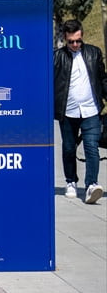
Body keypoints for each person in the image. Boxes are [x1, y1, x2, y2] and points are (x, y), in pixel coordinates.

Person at [53, 19, 104, 204]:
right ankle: (71, 181)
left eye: (78, 41)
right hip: (68, 112)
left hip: (91, 110)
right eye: (71, 42)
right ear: (65, 40)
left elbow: (102, 79)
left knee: (92, 147)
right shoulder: (57, 57)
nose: (75, 45)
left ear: (82, 37)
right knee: (68, 148)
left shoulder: (94, 54)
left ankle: (91, 184)